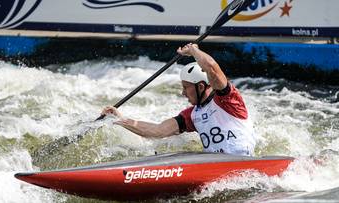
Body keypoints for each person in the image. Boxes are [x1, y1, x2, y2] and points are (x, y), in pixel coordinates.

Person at [101, 43, 256, 156]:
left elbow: (211, 67)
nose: (183, 93)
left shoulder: (228, 99)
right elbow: (157, 131)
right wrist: (120, 118)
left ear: (200, 87)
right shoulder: (192, 115)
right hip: (215, 165)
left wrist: (194, 50)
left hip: (243, 162)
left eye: (186, 87)